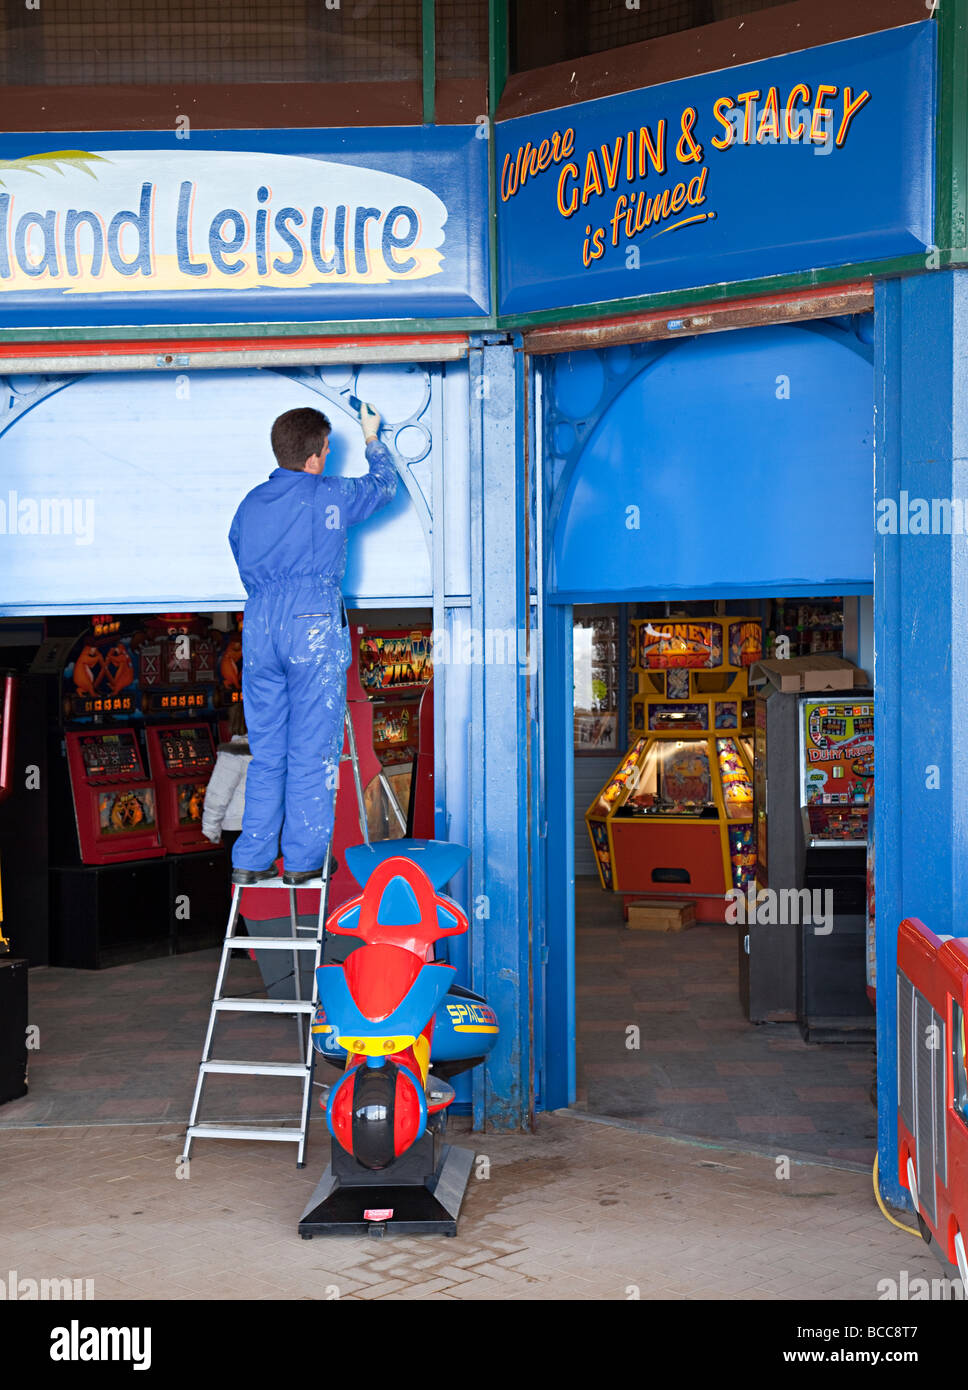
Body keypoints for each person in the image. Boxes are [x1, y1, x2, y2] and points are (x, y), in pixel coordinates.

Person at [228, 403, 396, 885]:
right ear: (316, 457)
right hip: (311, 624)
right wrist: (371, 438)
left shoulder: (250, 503)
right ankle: (303, 860)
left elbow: (238, 549)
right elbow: (384, 486)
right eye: (326, 449)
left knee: (267, 751)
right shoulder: (331, 494)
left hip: (260, 626)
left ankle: (252, 858)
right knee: (311, 749)